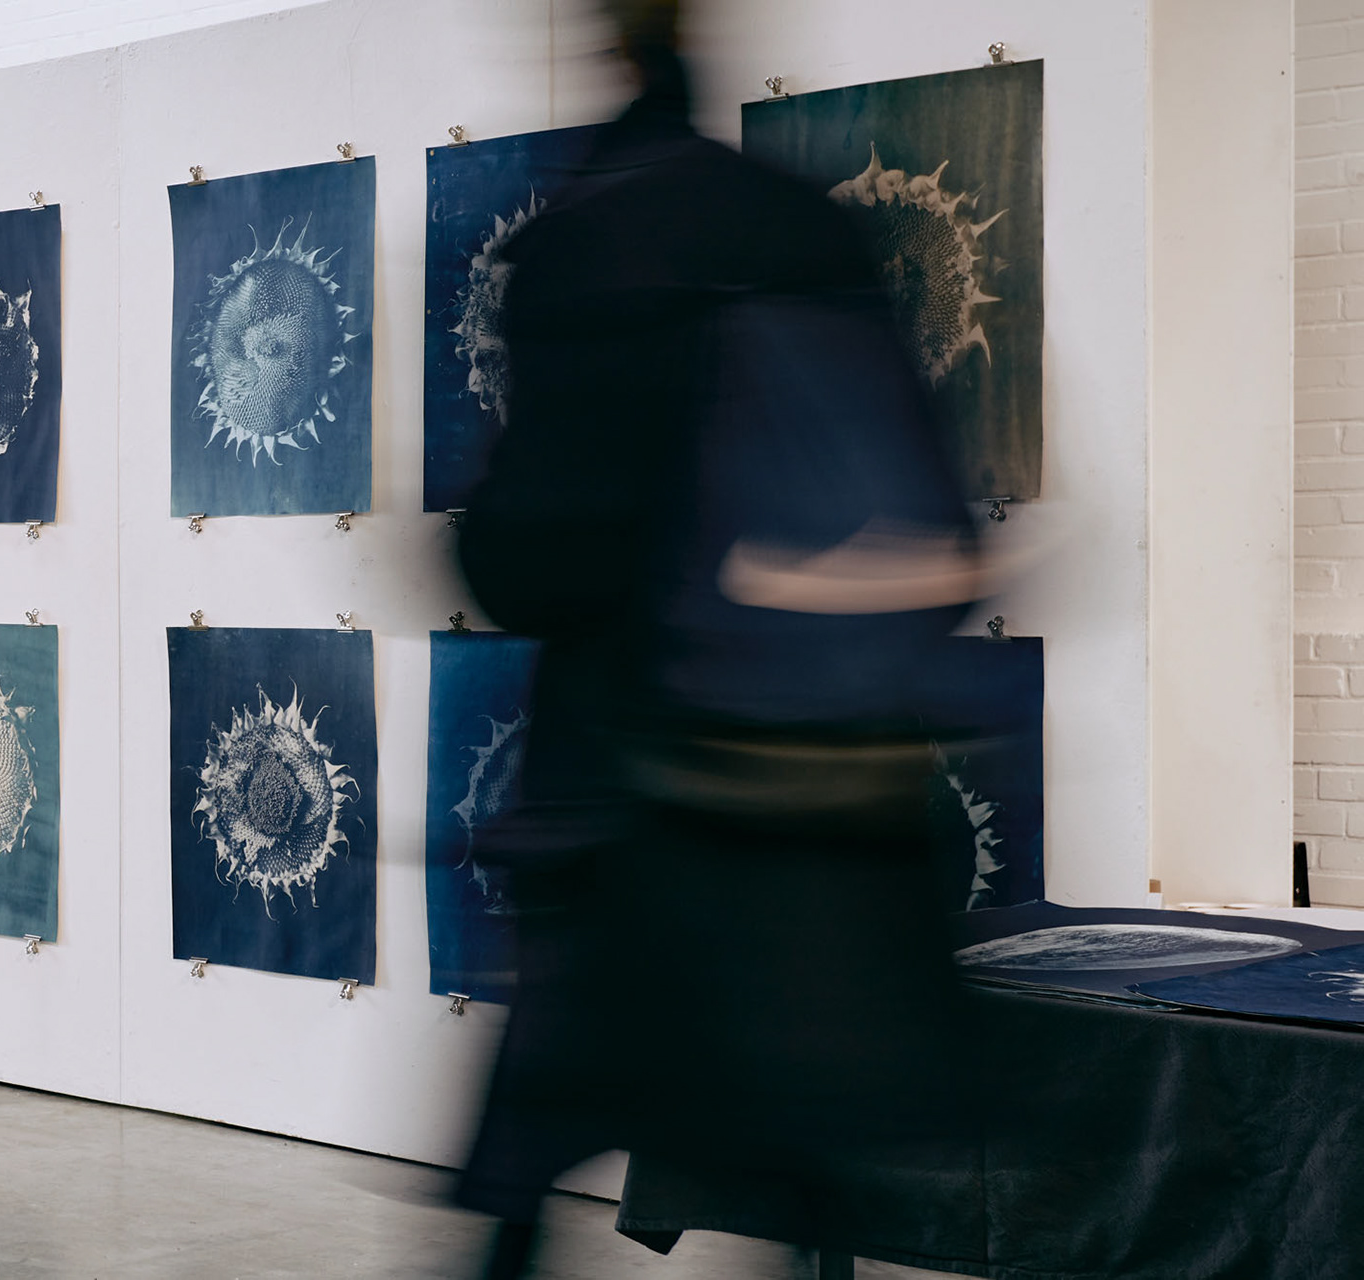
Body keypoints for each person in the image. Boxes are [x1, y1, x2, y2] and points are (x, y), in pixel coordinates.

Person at [453, 2, 988, 1275]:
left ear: (603, 44)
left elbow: (533, 556)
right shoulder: (807, 224)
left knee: (535, 1146)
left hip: (635, 796)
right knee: (807, 1166)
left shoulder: (585, 239)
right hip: (822, 815)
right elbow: (928, 529)